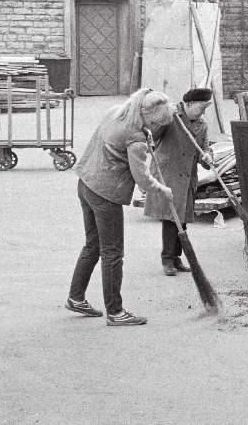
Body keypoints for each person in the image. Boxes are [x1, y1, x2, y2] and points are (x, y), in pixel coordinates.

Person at [66, 88, 175, 327]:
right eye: (156, 123)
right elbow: (142, 178)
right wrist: (162, 190)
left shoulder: (115, 112)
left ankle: (76, 298)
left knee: (93, 245)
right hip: (106, 194)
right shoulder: (135, 138)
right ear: (147, 115)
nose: (156, 128)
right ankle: (115, 312)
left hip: (86, 184)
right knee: (113, 253)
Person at [144, 88, 214, 276]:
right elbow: (152, 134)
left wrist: (207, 157)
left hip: (187, 176)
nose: (203, 113)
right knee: (170, 218)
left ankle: (176, 257)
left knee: (181, 220)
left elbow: (205, 148)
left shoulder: (202, 125)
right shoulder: (171, 116)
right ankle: (167, 259)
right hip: (169, 174)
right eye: (201, 108)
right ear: (189, 105)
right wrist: (164, 116)